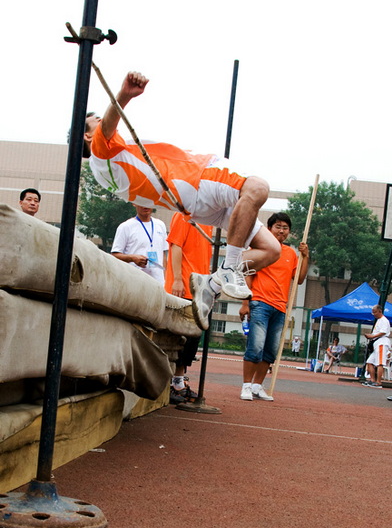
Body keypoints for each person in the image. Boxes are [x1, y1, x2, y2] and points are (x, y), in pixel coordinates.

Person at [85, 71, 281, 331]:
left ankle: (209, 286)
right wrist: (124, 95)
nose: (104, 121)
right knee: (257, 188)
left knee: (271, 250)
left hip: (193, 203)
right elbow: (109, 125)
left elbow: (110, 128)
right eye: (96, 121)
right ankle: (228, 269)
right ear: (89, 136)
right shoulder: (102, 153)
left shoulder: (108, 168)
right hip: (197, 178)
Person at [239, 212, 309, 402]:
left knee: (271, 350)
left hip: (280, 307)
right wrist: (245, 303)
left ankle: (257, 386)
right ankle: (246, 385)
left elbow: (299, 279)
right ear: (269, 229)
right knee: (256, 346)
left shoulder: (291, 254)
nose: (281, 230)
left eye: (285, 228)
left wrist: (305, 257)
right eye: (278, 226)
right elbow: (249, 274)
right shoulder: (261, 248)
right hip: (260, 302)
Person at [165, 212, 213, 404]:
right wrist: (177, 279)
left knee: (192, 340)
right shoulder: (183, 215)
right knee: (177, 338)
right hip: (183, 287)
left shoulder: (209, 221)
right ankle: (169, 381)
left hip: (199, 290)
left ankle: (178, 381)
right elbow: (175, 245)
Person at [111, 205, 168, 285]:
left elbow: (163, 253)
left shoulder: (160, 225)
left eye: (148, 202)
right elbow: (114, 255)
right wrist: (132, 258)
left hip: (158, 283)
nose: (145, 206)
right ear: (134, 203)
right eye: (142, 202)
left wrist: (166, 279)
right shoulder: (125, 227)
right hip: (135, 282)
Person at [363, 304, 391, 388]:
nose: (374, 314)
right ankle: (372, 380)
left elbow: (383, 332)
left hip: (381, 342)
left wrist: (372, 336)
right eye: (373, 312)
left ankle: (378, 382)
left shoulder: (383, 320)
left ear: (380, 311)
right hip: (377, 343)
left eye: (375, 312)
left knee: (380, 363)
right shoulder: (379, 320)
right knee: (370, 362)